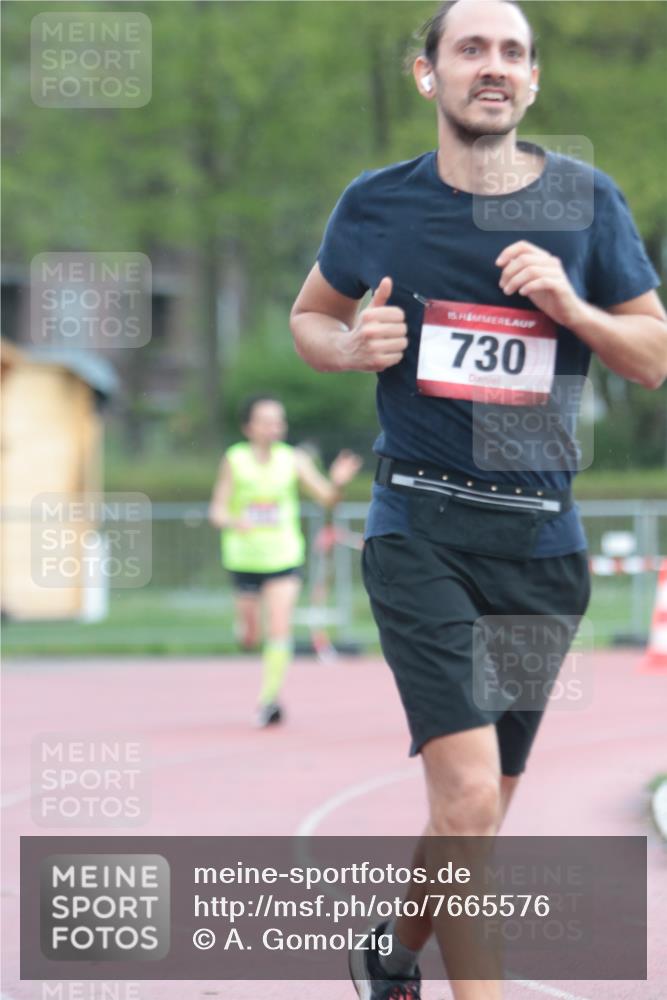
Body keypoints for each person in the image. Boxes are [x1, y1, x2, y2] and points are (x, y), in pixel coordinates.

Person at [290, 1, 667, 997]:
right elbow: (311, 316)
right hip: (419, 527)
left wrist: (570, 305)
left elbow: (653, 358)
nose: (491, 67)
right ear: (429, 76)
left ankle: (390, 951)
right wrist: (345, 346)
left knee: (478, 811)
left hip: (541, 548)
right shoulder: (377, 205)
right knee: (464, 801)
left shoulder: (585, 206)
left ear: (533, 81)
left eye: (511, 53)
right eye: (470, 50)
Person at [208, 395, 361, 727]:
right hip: (244, 556)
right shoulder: (235, 460)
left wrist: (337, 482)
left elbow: (327, 499)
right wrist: (234, 522)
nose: (273, 427)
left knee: (279, 626)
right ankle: (247, 630)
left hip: (284, 555)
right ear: (248, 426)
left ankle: (268, 701)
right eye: (265, 421)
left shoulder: (294, 460)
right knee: (251, 636)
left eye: (278, 421)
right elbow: (217, 510)